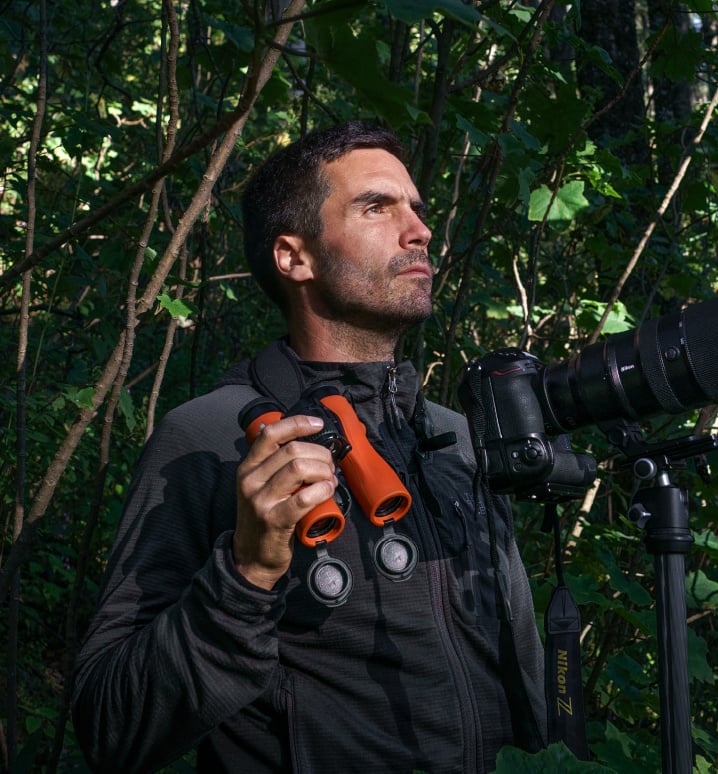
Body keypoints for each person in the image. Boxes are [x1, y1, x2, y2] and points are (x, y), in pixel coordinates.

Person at [72, 121, 546, 773]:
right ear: (294, 257)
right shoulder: (208, 439)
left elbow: (524, 676)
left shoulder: (458, 440)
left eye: (416, 209)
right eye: (376, 207)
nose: (419, 231)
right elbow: (110, 728)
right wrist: (246, 573)